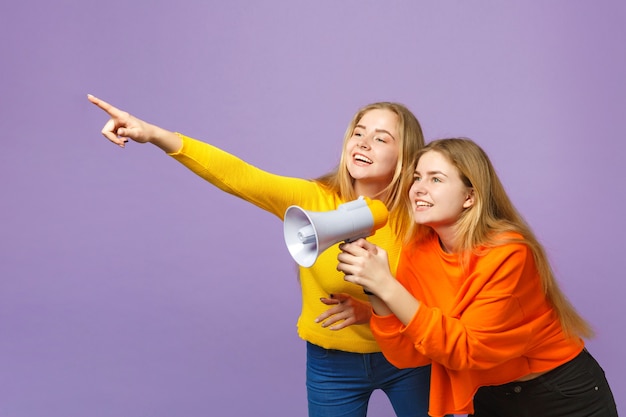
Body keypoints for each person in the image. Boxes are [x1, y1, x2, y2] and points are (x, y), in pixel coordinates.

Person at [87, 94, 432, 417]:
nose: (363, 142)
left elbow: (440, 300)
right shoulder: (313, 199)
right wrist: (152, 133)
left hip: (409, 359)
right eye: (358, 132)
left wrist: (373, 311)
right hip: (332, 363)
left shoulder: (421, 217)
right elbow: (238, 176)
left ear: (405, 157)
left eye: (381, 138)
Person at [337, 138, 618, 417]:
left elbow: (466, 350)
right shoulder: (418, 251)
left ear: (469, 197)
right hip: (488, 394)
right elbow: (407, 355)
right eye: (417, 178)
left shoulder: (509, 253)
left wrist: (387, 284)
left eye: (436, 180)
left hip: (559, 394)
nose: (418, 189)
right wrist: (374, 289)